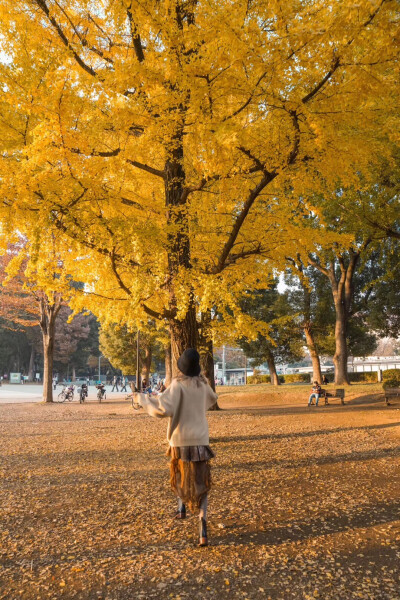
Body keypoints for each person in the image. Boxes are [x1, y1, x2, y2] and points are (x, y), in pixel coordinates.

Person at [139, 349, 217, 547]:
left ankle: (181, 508)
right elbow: (212, 399)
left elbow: (162, 409)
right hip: (200, 438)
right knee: (201, 480)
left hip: (180, 438)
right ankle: (202, 524)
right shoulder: (203, 385)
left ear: (181, 367)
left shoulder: (177, 385)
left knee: (179, 474)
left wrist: (141, 399)